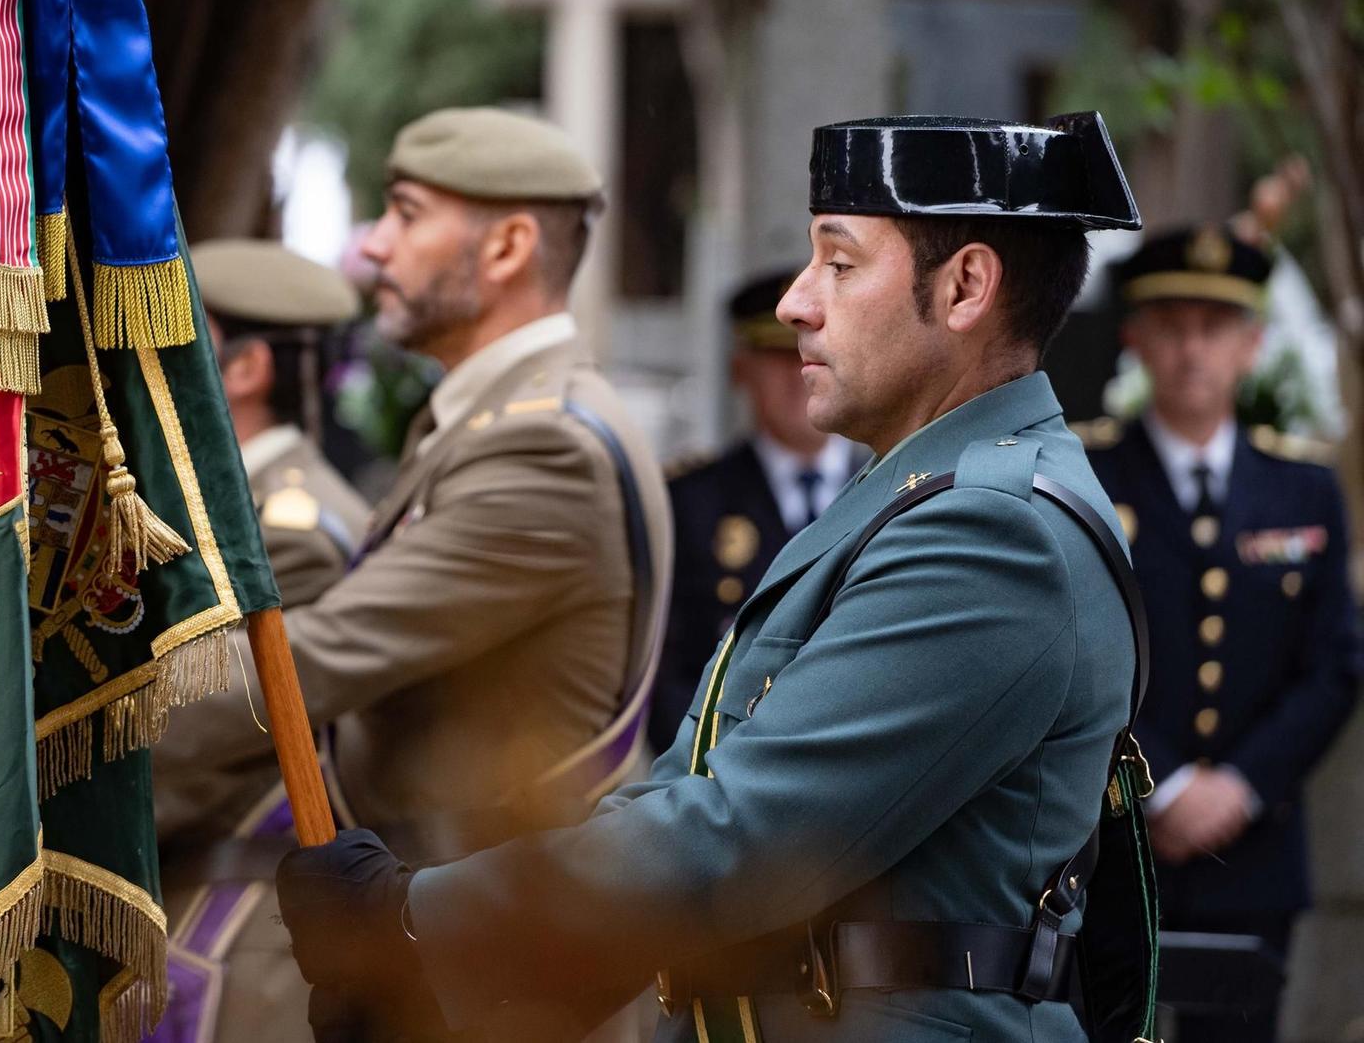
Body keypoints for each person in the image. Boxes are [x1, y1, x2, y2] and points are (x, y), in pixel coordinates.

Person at [276, 112, 1160, 1043]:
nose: (795, 303)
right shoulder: (921, 493)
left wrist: (418, 921)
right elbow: (686, 792)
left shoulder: (994, 531)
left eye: (841, 263)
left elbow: (742, 836)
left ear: (967, 286)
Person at [151, 106, 673, 1040]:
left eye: (405, 213)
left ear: (510, 245)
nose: (373, 246)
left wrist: (63, 727)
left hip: (496, 969)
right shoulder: (496, 421)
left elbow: (314, 656)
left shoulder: (541, 447)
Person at [1081, 225, 1360, 1043]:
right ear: (1135, 338)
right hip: (1117, 841)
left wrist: (1237, 788)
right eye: (1171, 326)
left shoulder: (1305, 490)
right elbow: (1074, 652)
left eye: (1215, 327)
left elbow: (1334, 665)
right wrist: (1160, 783)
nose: (1192, 349)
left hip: (1257, 851)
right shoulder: (1087, 480)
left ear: (1252, 345)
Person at [148, 239, 373, 1043]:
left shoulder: (295, 527)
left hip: (230, 925)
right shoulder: (227, 505)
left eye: (174, 336)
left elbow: (216, 733)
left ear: (243, 371)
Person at [652, 270, 864, 750]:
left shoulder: (894, 488)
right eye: (776, 357)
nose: (799, 374)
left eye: (813, 355)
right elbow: (665, 674)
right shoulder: (688, 502)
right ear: (739, 370)